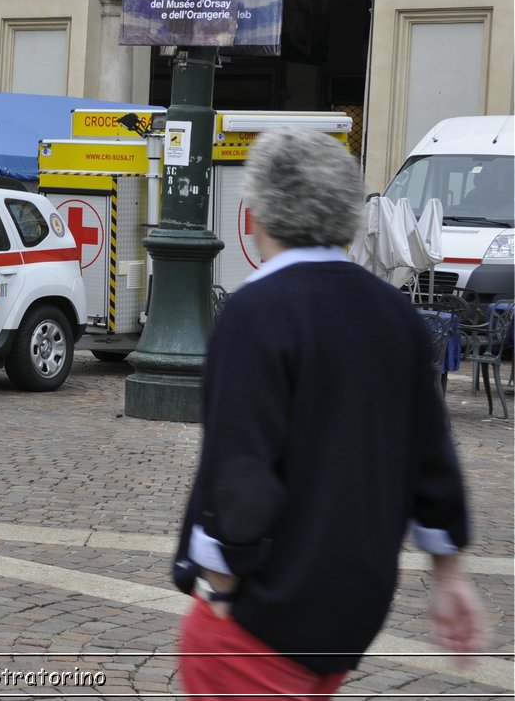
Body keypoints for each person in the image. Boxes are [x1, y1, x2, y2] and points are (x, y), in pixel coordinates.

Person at [172, 128, 484, 698]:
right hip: (348, 617)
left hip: (259, 619)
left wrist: (219, 582)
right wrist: (449, 572)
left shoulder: (255, 312)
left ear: (257, 212)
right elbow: (431, 456)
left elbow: (242, 465)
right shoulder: (397, 316)